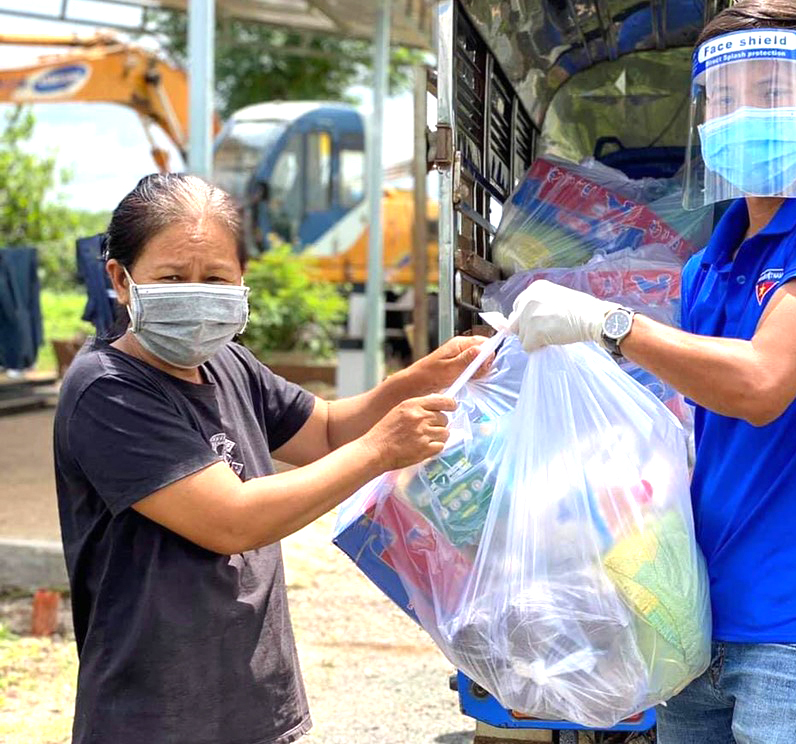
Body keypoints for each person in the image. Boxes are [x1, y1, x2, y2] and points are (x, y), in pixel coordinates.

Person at [513, 0, 796, 743]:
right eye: (724, 97)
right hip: (696, 610)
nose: (742, 113)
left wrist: (610, 325)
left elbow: (761, 383)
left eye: (770, 91)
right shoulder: (711, 260)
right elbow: (706, 419)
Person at [53, 173, 488, 744]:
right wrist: (381, 449)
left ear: (241, 280)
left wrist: (420, 378)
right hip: (156, 718)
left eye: (214, 278)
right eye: (172, 278)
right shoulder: (107, 391)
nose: (195, 293)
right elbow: (232, 520)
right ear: (122, 280)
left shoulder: (228, 364)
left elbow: (327, 431)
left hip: (253, 706)